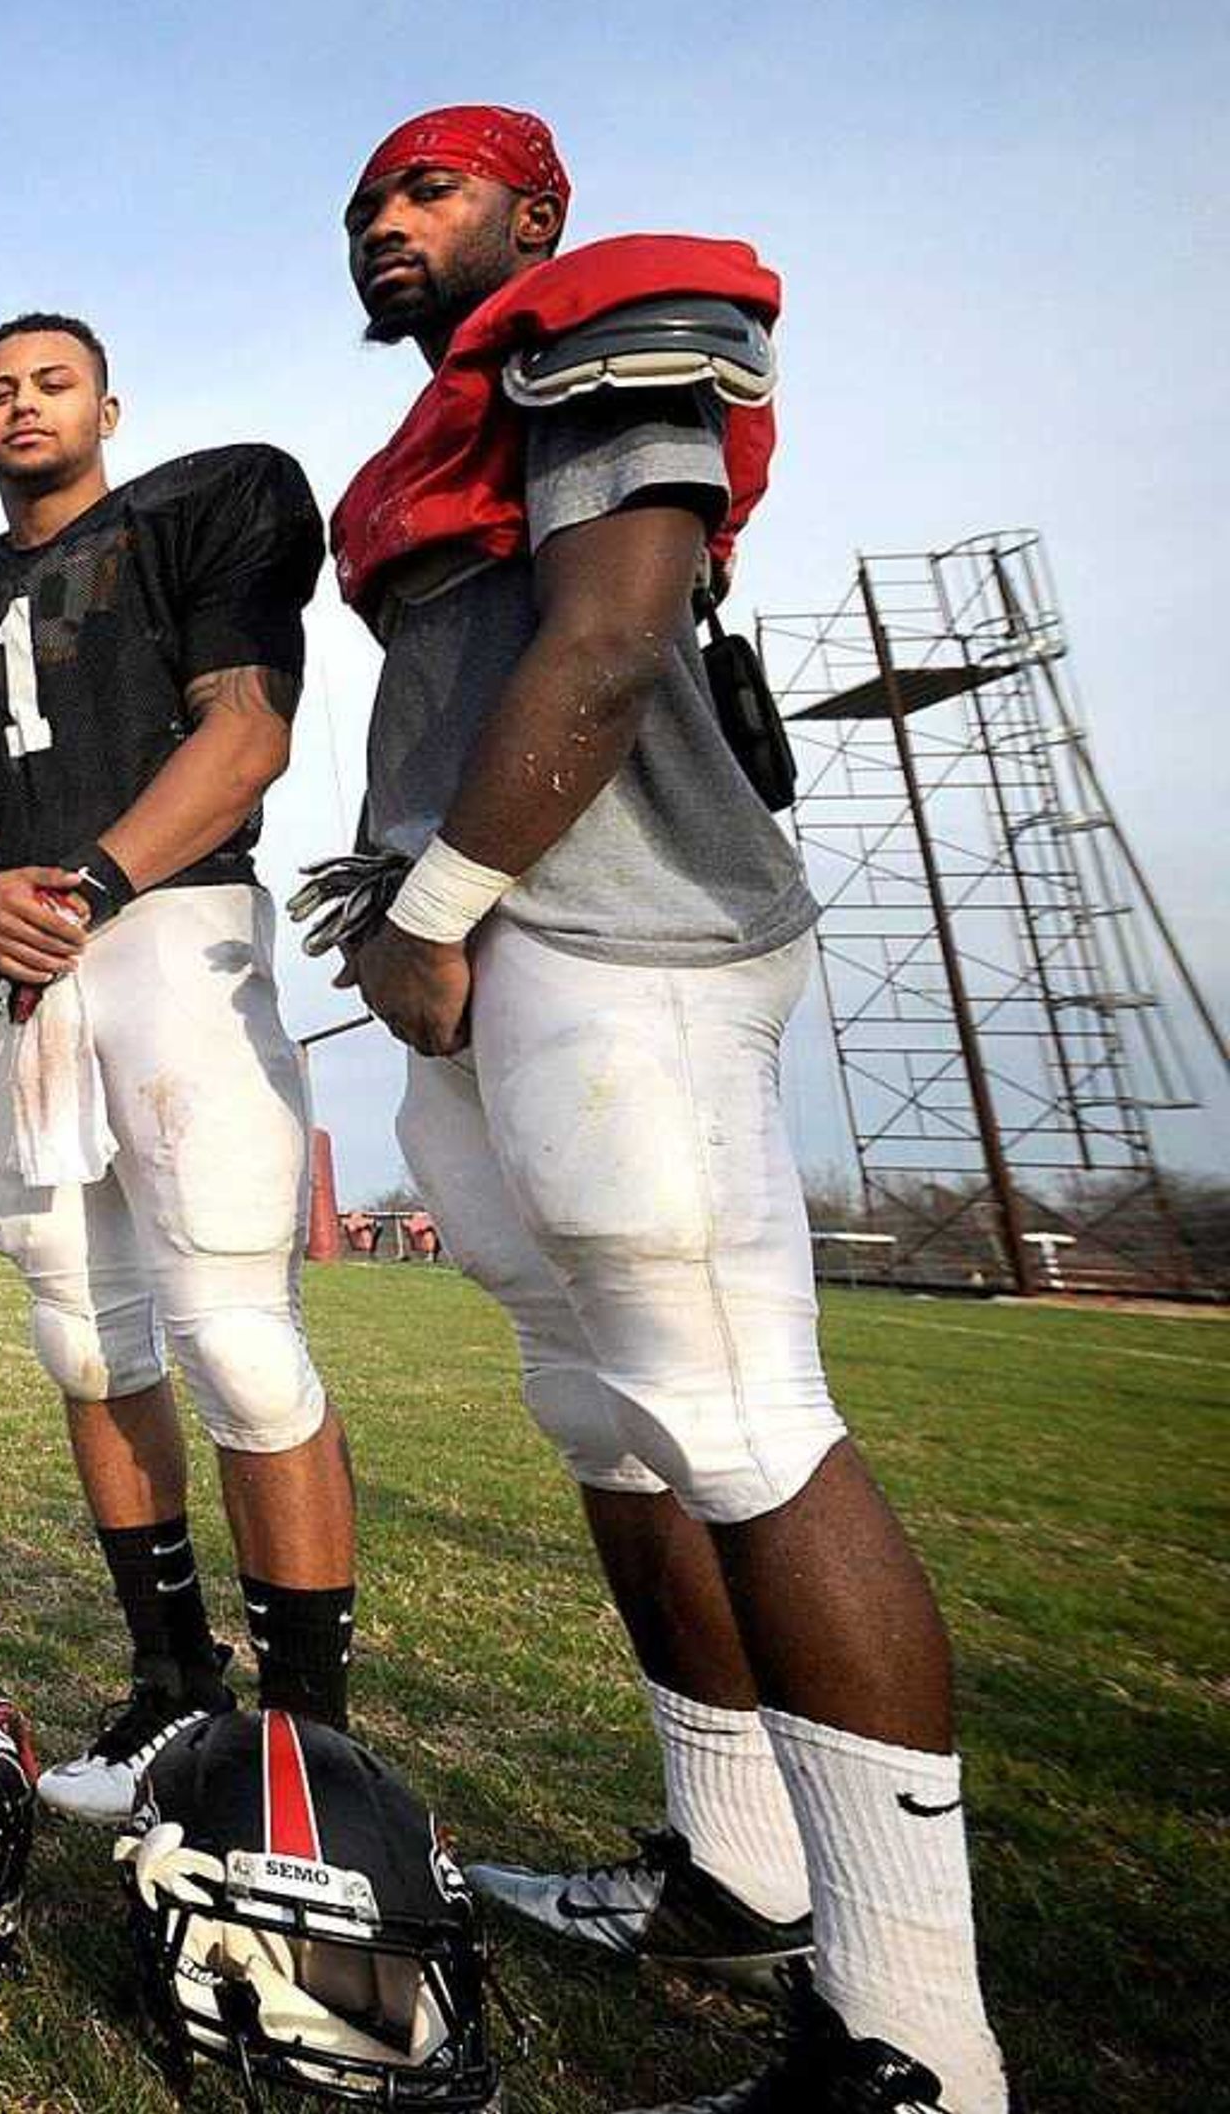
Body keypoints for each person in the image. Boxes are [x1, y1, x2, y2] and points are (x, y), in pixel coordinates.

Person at [322, 104, 1005, 2113]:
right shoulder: (451, 407)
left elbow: (612, 636)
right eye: (362, 204)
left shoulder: (612, 311)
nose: (383, 222)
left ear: (536, 212)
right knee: (598, 1391)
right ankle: (734, 1867)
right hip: (489, 937)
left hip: (602, 915)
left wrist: (447, 901)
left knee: (737, 1410)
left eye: (423, 190)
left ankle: (916, 2048)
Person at [0, 311, 355, 1823]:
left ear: (108, 401)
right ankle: (173, 1685)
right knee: (84, 1334)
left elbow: (247, 735)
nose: (22, 405)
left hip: (161, 920)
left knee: (232, 1326)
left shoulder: (202, 506)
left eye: (50, 382)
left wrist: (81, 880)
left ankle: (306, 1735)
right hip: (9, 951)